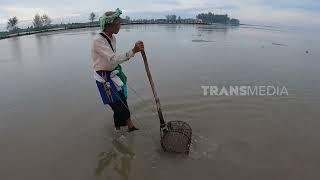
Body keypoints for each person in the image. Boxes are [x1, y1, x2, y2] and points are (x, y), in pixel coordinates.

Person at [91, 8, 144, 132]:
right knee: (118, 107)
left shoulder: (112, 38)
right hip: (103, 78)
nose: (120, 25)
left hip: (113, 73)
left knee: (123, 101)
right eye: (118, 23)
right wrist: (133, 51)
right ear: (109, 25)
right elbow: (113, 58)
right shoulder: (98, 41)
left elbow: (113, 62)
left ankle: (130, 127)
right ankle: (117, 131)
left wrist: (121, 73)